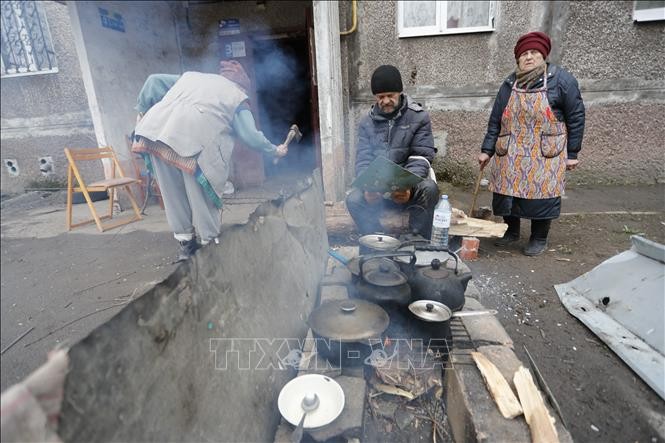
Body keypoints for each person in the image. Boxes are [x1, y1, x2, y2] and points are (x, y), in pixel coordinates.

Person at [133, 60, 288, 262]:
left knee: (173, 194)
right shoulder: (237, 96)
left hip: (154, 135)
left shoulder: (192, 77)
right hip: (191, 143)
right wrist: (274, 150)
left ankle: (186, 247)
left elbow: (153, 82)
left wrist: (142, 112)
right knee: (202, 196)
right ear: (243, 84)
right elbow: (249, 135)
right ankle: (209, 248)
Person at [478, 31, 585, 256]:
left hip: (545, 152)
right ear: (518, 59)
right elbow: (495, 119)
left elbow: (576, 117)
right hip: (511, 151)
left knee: (542, 195)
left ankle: (539, 238)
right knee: (507, 193)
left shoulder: (562, 81)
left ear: (543, 55)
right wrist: (487, 150)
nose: (529, 57)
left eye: (534, 52)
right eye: (524, 53)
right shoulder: (509, 83)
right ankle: (511, 232)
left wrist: (572, 152)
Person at [346, 65, 440, 239]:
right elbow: (363, 159)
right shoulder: (366, 123)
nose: (386, 101)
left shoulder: (419, 117)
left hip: (408, 188)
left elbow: (421, 156)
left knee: (430, 188)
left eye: (391, 95)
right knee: (353, 199)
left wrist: (407, 187)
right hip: (378, 190)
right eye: (381, 97)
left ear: (400, 93)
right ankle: (376, 239)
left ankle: (417, 239)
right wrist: (368, 188)